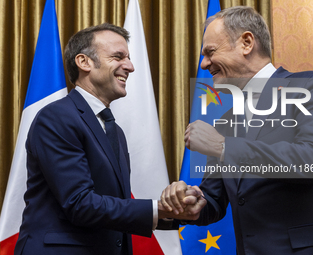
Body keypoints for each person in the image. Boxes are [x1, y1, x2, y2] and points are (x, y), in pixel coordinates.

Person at [161, 6, 313, 255]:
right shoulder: (225, 121)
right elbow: (214, 200)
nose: (204, 64)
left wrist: (223, 147)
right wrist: (190, 201)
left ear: (246, 42)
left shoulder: (310, 86)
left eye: (210, 52)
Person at [14, 23, 201, 255]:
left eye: (129, 58)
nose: (130, 67)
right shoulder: (57, 117)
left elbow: (114, 205)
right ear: (84, 63)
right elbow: (80, 204)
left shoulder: (114, 131)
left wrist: (176, 211)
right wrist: (158, 208)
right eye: (118, 57)